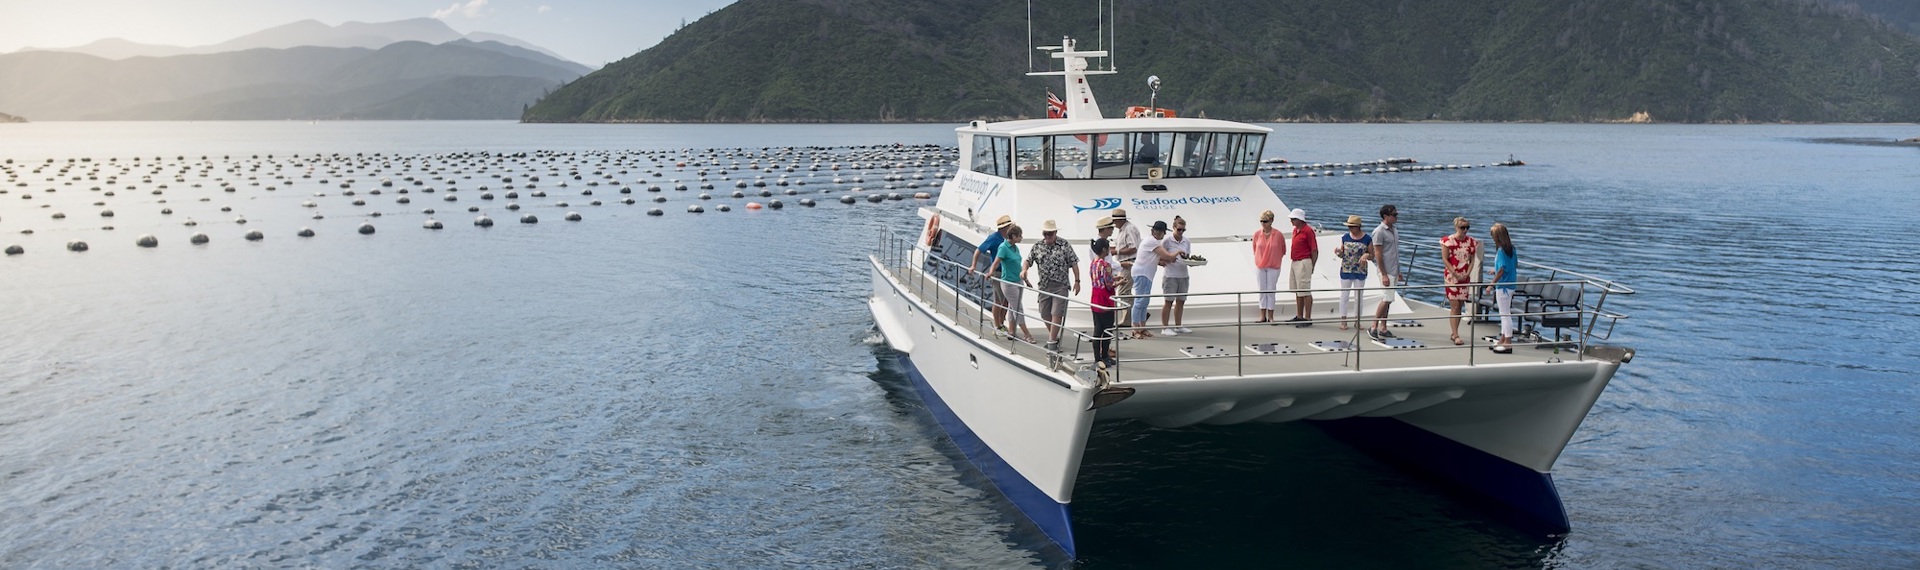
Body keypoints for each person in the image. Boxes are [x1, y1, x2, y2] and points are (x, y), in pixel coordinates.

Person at [1023, 219, 1080, 349]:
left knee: (1056, 313)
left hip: (1060, 285)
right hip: (1044, 285)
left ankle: (1052, 342)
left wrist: (1077, 281)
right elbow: (1028, 260)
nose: (1047, 236)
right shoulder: (1038, 246)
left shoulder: (1064, 245)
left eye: (1050, 234)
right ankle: (1054, 337)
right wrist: (1024, 269)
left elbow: (1074, 263)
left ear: (1055, 233)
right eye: (1045, 234)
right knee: (1044, 313)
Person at [987, 224, 1035, 344]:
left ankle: (1011, 332)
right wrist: (991, 272)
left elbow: (1018, 266)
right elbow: (996, 262)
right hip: (1008, 283)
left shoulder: (1015, 247)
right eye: (1020, 236)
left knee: (1012, 308)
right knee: (1018, 308)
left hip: (1018, 281)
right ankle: (1027, 334)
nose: (1021, 238)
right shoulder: (1003, 247)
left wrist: (1026, 281)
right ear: (1013, 236)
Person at [971, 215, 1015, 335]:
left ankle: (1001, 323)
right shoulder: (994, 238)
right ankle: (997, 325)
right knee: (999, 300)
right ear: (1004, 228)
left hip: (1007, 273)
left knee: (1006, 301)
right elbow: (978, 250)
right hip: (997, 273)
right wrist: (973, 265)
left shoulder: (1008, 238)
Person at [1441, 216, 1481, 346]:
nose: (1465, 230)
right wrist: (1454, 273)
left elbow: (1472, 260)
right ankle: (1456, 334)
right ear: (1456, 227)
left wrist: (1467, 274)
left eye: (1467, 227)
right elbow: (1445, 259)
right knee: (1455, 305)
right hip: (1452, 277)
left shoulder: (1472, 242)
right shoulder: (1448, 241)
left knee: (1461, 305)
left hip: (1464, 277)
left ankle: (1454, 332)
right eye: (1462, 227)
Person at [1130, 220, 1172, 338]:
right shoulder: (1152, 242)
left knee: (1144, 301)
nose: (1162, 235)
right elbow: (1167, 255)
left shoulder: (1150, 241)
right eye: (1161, 232)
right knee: (1140, 301)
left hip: (1146, 273)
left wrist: (1158, 262)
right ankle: (1135, 328)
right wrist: (1178, 252)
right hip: (1142, 273)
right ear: (1157, 232)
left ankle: (1142, 327)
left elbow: (1148, 257)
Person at [1368, 204, 1401, 341]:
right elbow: (1378, 254)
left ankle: (1383, 327)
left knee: (1388, 300)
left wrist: (1399, 271)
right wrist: (1384, 274)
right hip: (1385, 270)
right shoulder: (1379, 231)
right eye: (1394, 214)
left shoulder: (1394, 230)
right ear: (1386, 216)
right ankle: (1373, 326)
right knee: (1386, 298)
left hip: (1393, 269)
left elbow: (1395, 252)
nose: (1396, 216)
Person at [1335, 215, 1374, 331]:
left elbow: (1373, 255)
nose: (1350, 229)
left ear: (1358, 227)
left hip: (1360, 270)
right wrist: (1338, 252)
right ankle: (1343, 320)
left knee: (1359, 297)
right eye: (1349, 227)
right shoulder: (1345, 237)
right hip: (1346, 269)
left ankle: (1357, 320)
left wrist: (1367, 255)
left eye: (1352, 227)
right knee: (1344, 295)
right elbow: (1342, 253)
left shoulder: (1367, 239)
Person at [1484, 223, 1518, 353]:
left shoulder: (1501, 251)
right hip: (1511, 284)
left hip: (1503, 286)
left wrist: (1491, 284)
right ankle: (1503, 339)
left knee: (1504, 315)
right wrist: (1496, 269)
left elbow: (1502, 270)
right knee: (1505, 313)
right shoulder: (1512, 249)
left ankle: (1508, 342)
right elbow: (1513, 265)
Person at [1159, 218, 1194, 336]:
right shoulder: (1166, 241)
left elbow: (1188, 257)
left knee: (1181, 301)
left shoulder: (1187, 241)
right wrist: (1167, 259)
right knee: (1168, 301)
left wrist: (1191, 262)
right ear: (1173, 228)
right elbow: (1159, 256)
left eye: (1183, 230)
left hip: (1183, 274)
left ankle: (1178, 325)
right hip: (1170, 275)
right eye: (1179, 229)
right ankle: (1165, 327)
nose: (1181, 232)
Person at [1251, 209, 1287, 323]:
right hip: (1260, 265)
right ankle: (1262, 316)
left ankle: (1271, 316)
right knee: (1262, 290)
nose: (1263, 223)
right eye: (1261, 221)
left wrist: (1273, 257)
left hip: (1273, 265)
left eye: (1265, 221)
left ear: (1271, 221)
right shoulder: (1257, 234)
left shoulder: (1278, 234)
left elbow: (1283, 249)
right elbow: (1254, 248)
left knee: (1271, 290)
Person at [1088, 238, 1119, 367]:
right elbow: (1109, 284)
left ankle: (1097, 358)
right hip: (1105, 299)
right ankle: (1105, 355)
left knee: (1098, 329)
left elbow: (1100, 279)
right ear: (1104, 250)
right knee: (1107, 329)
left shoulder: (1093, 263)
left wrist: (1113, 279)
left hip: (1095, 297)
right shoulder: (1106, 265)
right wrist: (1120, 282)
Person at [1110, 209, 1141, 332]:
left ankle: (1129, 319)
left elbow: (1133, 248)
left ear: (1119, 220)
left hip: (1129, 263)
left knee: (1123, 291)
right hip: (1124, 263)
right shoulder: (1124, 229)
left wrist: (1116, 252)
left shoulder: (1129, 229)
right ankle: (1138, 313)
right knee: (1124, 291)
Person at [1286, 208, 1318, 327]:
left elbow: (1314, 250)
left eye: (1293, 219)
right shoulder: (1296, 230)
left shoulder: (1308, 231)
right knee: (1298, 290)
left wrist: (1312, 265)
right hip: (1295, 261)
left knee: (1305, 290)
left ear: (1299, 219)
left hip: (1304, 261)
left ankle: (1307, 317)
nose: (1291, 221)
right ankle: (1299, 315)